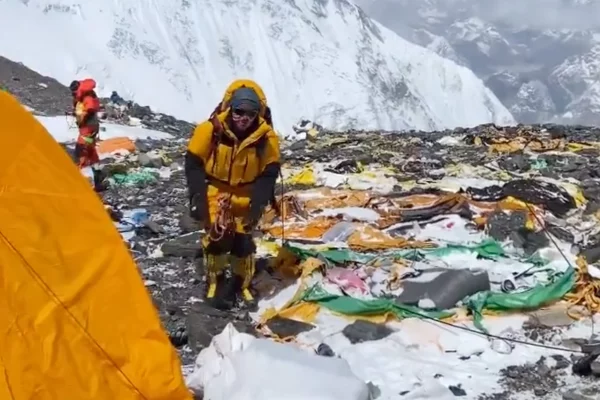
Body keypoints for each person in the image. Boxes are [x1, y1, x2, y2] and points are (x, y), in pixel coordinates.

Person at [184, 79, 281, 307]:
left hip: (247, 194)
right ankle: (215, 281)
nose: (243, 118)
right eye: (239, 111)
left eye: (250, 113)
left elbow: (269, 172)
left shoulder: (266, 138)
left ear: (258, 114)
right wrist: (197, 197)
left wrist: (258, 203)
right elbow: (193, 164)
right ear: (230, 108)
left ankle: (241, 284)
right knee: (217, 240)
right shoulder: (209, 130)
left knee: (243, 243)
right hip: (215, 192)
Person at [69, 79, 101, 169]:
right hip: (91, 125)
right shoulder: (86, 94)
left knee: (82, 145)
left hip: (87, 125)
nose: (73, 95)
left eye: (74, 92)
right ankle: (95, 164)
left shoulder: (87, 96)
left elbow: (89, 109)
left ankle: (80, 166)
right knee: (90, 144)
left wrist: (82, 117)